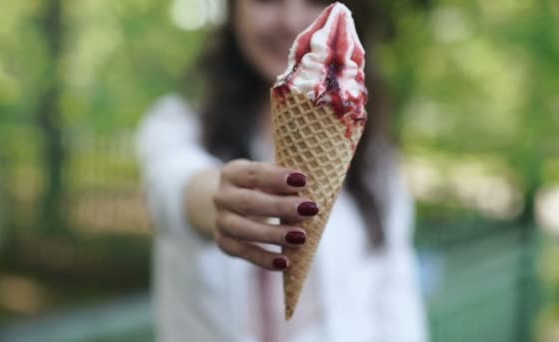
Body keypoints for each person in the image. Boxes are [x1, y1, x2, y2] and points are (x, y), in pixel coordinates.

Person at [137, 0, 428, 341]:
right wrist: (220, 199)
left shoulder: (376, 164)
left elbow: (397, 307)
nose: (291, 20)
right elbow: (171, 187)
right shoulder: (177, 125)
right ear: (233, 11)